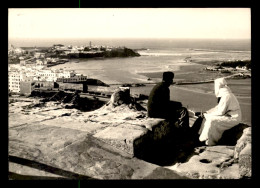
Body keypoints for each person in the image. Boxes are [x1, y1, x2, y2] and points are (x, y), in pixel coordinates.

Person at [196, 77, 242, 146]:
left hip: (233, 118)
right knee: (207, 118)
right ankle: (202, 138)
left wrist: (206, 115)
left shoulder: (227, 96)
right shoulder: (225, 94)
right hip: (228, 115)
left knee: (211, 120)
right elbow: (217, 108)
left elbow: (220, 112)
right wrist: (207, 112)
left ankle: (209, 142)